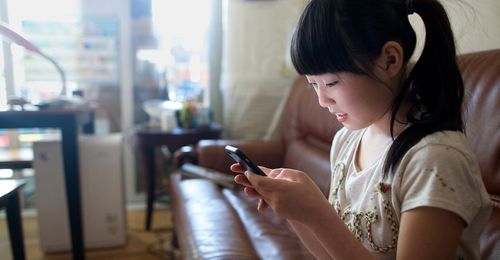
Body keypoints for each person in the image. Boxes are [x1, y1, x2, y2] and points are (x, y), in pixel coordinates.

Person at [230, 0, 492, 259]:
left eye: (331, 82)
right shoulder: (347, 140)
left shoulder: (435, 160)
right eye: (313, 85)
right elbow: (333, 254)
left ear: (390, 60)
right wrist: (296, 211)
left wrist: (316, 213)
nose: (322, 100)